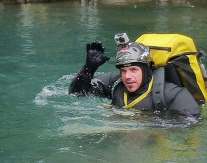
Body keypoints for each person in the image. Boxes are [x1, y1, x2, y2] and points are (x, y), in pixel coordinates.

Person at [69, 40, 200, 116]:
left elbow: (191, 126)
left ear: (146, 69)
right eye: (123, 70)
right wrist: (88, 69)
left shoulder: (174, 94)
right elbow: (76, 94)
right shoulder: (116, 83)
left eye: (134, 70)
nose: (127, 77)